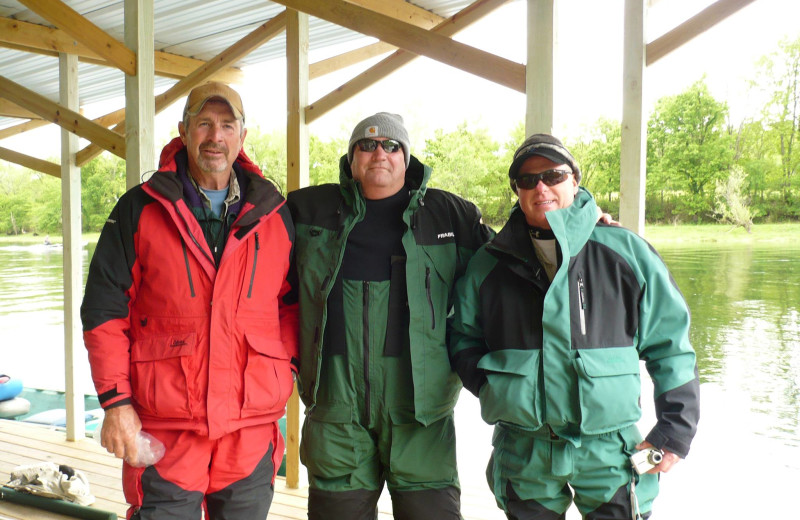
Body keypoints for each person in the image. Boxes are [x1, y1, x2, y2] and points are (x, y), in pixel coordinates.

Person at [448, 134, 700, 520]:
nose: (541, 187)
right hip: (522, 448)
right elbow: (462, 338)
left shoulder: (626, 251)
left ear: (575, 181)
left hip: (610, 450)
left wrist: (675, 430)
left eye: (553, 175)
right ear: (517, 190)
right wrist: (490, 385)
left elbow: (671, 346)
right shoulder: (487, 265)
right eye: (528, 180)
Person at [81, 82, 298, 519]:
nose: (215, 136)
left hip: (249, 430)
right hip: (166, 428)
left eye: (226, 124)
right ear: (183, 131)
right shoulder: (139, 209)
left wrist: (283, 370)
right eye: (203, 123)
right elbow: (104, 312)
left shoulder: (275, 215)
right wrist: (116, 404)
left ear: (242, 135)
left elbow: (291, 309)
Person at [286, 112, 494, 519]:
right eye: (366, 145)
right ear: (351, 160)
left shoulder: (451, 215)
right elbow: (247, 232)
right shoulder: (308, 210)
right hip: (336, 408)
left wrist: (582, 226)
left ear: (406, 157)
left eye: (391, 145)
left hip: (421, 411)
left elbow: (510, 264)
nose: (379, 153)